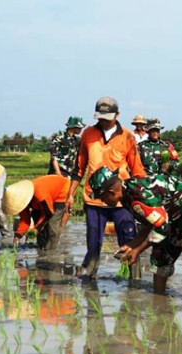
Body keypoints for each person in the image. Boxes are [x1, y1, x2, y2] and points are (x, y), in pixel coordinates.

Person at [89, 166, 182, 300]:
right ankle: (159, 304)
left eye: (102, 197)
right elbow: (151, 222)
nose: (103, 202)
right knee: (160, 258)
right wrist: (132, 245)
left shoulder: (138, 195)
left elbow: (162, 228)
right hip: (171, 214)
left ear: (111, 192)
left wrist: (138, 250)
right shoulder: (126, 197)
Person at [66, 96, 147, 279]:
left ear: (117, 115)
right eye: (100, 116)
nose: (103, 120)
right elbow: (79, 167)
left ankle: (134, 279)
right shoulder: (88, 134)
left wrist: (142, 198)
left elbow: (138, 170)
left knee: (128, 240)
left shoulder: (127, 136)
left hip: (121, 199)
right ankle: (89, 275)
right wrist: (70, 195)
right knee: (93, 242)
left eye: (107, 116)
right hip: (94, 199)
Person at [2, 175, 71, 252]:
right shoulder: (22, 201)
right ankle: (41, 247)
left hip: (62, 191)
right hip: (44, 198)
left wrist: (36, 229)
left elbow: (48, 214)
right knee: (35, 216)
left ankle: (50, 252)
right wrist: (18, 236)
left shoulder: (40, 194)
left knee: (52, 224)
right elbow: (25, 220)